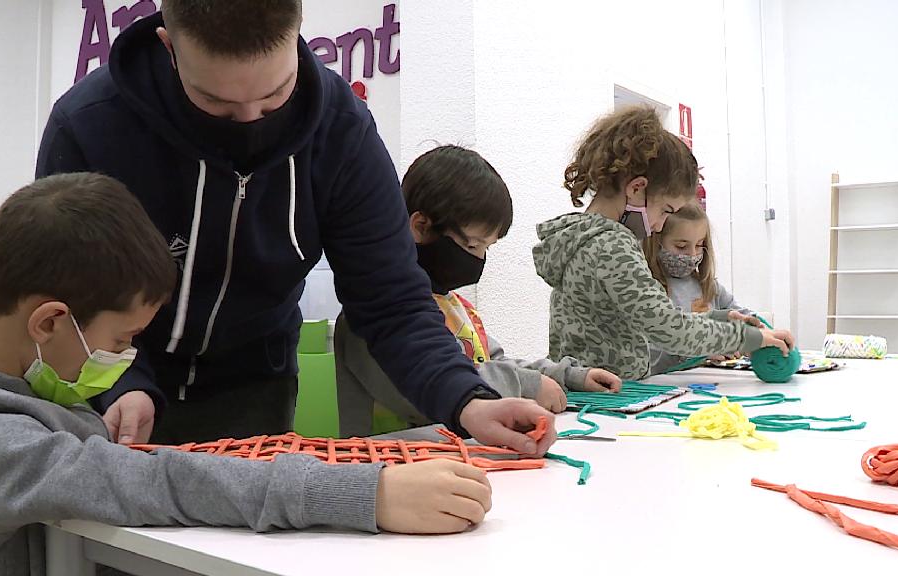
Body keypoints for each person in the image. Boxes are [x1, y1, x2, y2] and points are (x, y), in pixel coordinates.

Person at [36, 0, 553, 455]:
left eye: (275, 94)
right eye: (216, 102)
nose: (251, 121)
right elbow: (68, 296)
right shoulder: (90, 125)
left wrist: (467, 399)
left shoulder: (342, 132)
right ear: (169, 47)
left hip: (253, 388)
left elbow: (393, 303)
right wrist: (121, 382)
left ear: (298, 29)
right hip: (115, 386)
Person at [0, 173, 496, 576]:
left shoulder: (21, 393)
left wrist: (410, 451)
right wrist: (368, 496)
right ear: (50, 322)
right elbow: (157, 481)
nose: (124, 359)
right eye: (121, 340)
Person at [336, 146, 622, 436]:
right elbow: (426, 392)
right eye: (472, 245)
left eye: (487, 248)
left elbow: (493, 362)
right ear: (421, 226)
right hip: (388, 463)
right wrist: (527, 385)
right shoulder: (369, 320)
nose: (478, 259)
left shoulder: (457, 306)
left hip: (457, 457)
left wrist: (568, 375)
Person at [532, 106, 794, 380]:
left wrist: (718, 319)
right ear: (636, 188)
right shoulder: (611, 244)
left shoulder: (580, 236)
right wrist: (748, 338)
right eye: (666, 210)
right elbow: (669, 329)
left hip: (582, 388)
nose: (659, 225)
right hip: (606, 395)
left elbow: (655, 317)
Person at [643, 202, 756, 374]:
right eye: (681, 246)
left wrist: (761, 334)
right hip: (665, 387)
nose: (692, 254)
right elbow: (645, 357)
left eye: (699, 245)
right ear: (656, 241)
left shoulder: (708, 286)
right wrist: (697, 351)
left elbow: (744, 316)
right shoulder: (645, 290)